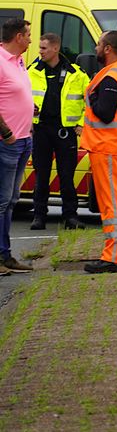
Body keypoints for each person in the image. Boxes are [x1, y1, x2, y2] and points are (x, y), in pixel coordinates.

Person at [82, 30, 117, 274]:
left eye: (98, 44)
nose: (95, 49)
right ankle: (113, 255)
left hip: (107, 146)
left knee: (111, 204)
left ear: (107, 49)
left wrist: (92, 96)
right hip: (111, 145)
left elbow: (105, 113)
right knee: (110, 203)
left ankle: (114, 257)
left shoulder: (113, 75)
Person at [27, 32, 89, 230]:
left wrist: (80, 123)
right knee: (41, 175)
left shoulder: (76, 74)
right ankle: (39, 216)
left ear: (55, 48)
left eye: (44, 48)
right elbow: (21, 99)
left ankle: (70, 217)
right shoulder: (31, 71)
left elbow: (90, 102)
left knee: (66, 176)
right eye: (40, 48)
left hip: (65, 132)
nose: (40, 52)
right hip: (41, 130)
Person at [0, 18, 36, 275]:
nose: (31, 40)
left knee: (12, 200)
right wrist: (7, 133)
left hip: (24, 139)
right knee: (2, 201)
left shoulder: (19, 61)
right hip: (8, 142)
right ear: (18, 37)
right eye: (28, 35)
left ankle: (5, 254)